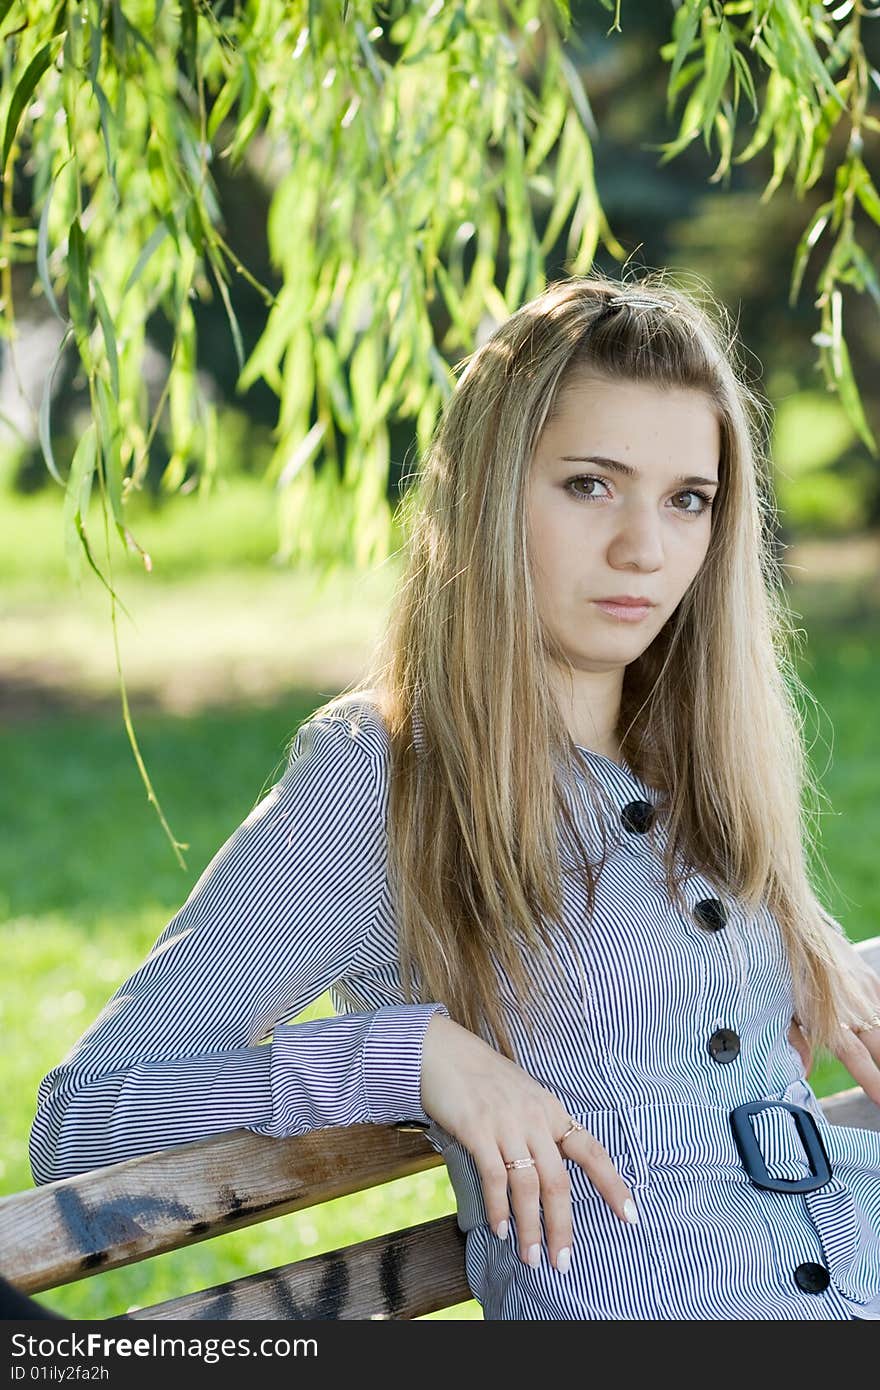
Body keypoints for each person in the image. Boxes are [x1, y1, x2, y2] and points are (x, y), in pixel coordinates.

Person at [29, 273, 880, 1321]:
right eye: (588, 485)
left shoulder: (696, 747)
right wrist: (410, 1053)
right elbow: (85, 1116)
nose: (644, 550)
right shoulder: (383, 775)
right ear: (486, 491)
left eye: (685, 500)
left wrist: (796, 938)